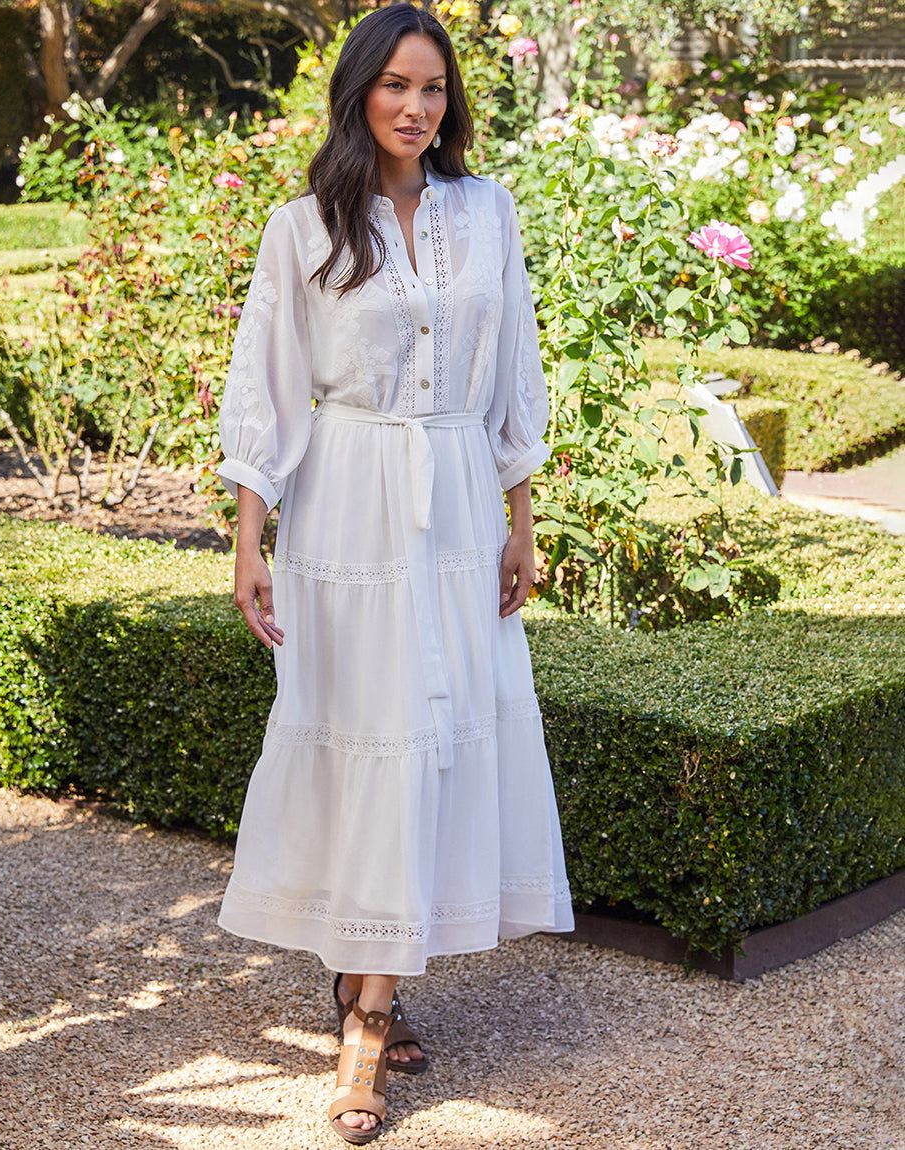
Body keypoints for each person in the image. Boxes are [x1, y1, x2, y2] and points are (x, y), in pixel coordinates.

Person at [214, 3, 574, 1142]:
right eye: (395, 87)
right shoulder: (302, 225)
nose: (416, 107)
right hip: (350, 505)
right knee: (367, 736)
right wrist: (248, 532)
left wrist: (521, 518)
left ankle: (373, 973)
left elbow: (512, 365)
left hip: (462, 496)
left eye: (433, 89)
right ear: (358, 91)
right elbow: (266, 382)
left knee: (441, 728)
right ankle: (365, 1016)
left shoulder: (487, 211)